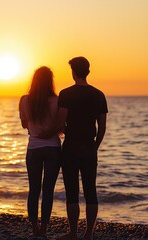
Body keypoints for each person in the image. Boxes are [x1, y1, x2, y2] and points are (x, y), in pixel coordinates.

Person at [41, 57, 107, 240]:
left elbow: (61, 122)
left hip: (70, 146)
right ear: (88, 71)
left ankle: (72, 232)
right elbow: (102, 127)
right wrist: (96, 146)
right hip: (89, 146)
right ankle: (89, 234)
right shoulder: (98, 95)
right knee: (90, 190)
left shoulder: (66, 94)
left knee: (72, 190)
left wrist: (48, 131)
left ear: (74, 72)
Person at [19, 66, 62, 237]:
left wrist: (35, 128)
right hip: (53, 148)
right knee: (48, 190)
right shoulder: (57, 100)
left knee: (34, 188)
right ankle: (44, 229)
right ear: (50, 81)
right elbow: (60, 126)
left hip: (34, 148)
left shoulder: (24, 100)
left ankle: (34, 229)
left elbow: (24, 125)